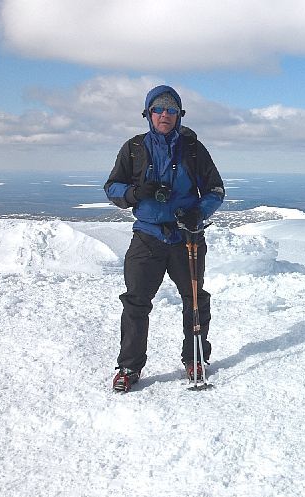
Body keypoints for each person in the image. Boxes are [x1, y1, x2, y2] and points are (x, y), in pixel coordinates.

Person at [104, 85, 225, 391]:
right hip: (147, 236)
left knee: (195, 300)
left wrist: (198, 213)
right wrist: (134, 193)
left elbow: (215, 190)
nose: (165, 114)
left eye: (172, 109)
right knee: (136, 302)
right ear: (148, 113)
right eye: (158, 109)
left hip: (188, 236)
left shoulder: (193, 150)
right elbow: (112, 187)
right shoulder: (134, 149)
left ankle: (195, 358)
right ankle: (129, 367)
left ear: (179, 115)